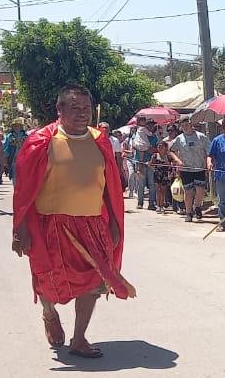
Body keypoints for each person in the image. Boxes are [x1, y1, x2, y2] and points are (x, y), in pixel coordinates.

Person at [12, 85, 135, 358]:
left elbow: (110, 188)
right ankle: (49, 311)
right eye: (75, 108)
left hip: (92, 224)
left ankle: (79, 339)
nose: (82, 114)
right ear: (60, 110)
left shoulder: (100, 141)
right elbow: (24, 190)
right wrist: (19, 229)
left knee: (94, 282)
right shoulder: (41, 141)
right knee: (47, 281)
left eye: (86, 109)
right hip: (49, 226)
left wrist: (114, 223)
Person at [170, 120, 210, 222]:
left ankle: (197, 207)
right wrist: (177, 160)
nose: (185, 127)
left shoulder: (201, 137)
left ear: (191, 125)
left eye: (186, 125)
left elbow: (209, 150)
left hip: (199, 168)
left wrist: (209, 162)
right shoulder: (179, 138)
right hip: (186, 169)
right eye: (182, 126)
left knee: (200, 190)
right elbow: (171, 150)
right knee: (188, 192)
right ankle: (188, 212)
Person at [128, 117, 154, 207]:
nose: (151, 126)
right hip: (140, 159)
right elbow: (134, 146)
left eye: (152, 124)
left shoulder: (153, 136)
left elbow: (155, 149)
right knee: (141, 184)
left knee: (151, 183)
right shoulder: (138, 132)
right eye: (149, 124)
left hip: (151, 162)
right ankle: (140, 203)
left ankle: (151, 203)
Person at [150, 140, 174, 213]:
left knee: (163, 190)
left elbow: (171, 166)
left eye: (161, 146)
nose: (160, 148)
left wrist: (170, 173)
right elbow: (151, 164)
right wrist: (150, 164)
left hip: (165, 174)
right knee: (158, 190)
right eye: (158, 146)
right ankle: (158, 205)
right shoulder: (154, 156)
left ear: (165, 147)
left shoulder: (168, 156)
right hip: (157, 174)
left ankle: (162, 205)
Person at [2, 119, 27, 183]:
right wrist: (5, 162)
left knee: (23, 179)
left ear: (21, 127)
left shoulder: (26, 136)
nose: (16, 127)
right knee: (15, 179)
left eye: (18, 126)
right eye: (15, 126)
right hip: (13, 160)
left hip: (24, 160)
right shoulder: (10, 136)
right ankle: (16, 192)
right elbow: (6, 149)